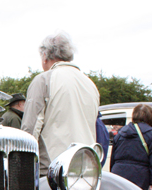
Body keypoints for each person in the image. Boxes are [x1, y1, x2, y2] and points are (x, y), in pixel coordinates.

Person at [21, 32, 100, 174]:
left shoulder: (44, 80)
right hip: (85, 167)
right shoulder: (90, 84)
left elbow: (30, 130)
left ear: (45, 56)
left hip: (55, 167)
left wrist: (22, 166)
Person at [110, 104, 152, 190]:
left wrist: (112, 172)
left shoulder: (120, 132)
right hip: (140, 175)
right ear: (150, 118)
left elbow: (113, 157)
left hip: (118, 172)